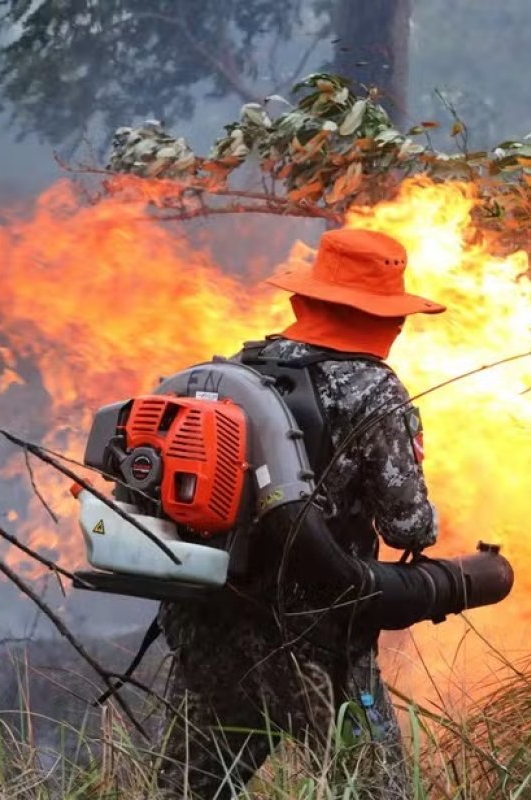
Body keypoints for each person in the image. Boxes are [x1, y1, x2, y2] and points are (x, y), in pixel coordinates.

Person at [158, 228, 444, 798]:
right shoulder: (374, 391)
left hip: (212, 619)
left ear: (302, 304)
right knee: (374, 789)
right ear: (386, 320)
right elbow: (408, 525)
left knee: (190, 791)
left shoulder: (232, 373)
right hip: (318, 631)